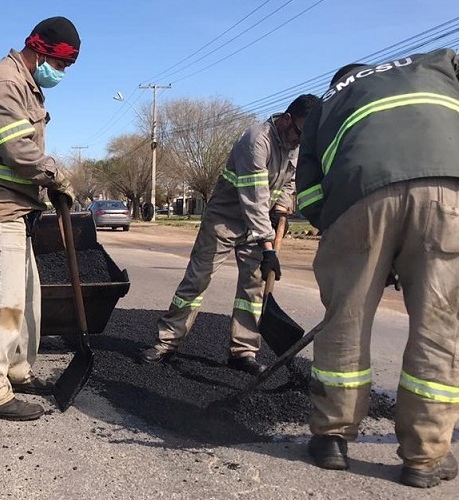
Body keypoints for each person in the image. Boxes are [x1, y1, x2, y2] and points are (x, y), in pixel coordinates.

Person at [296, 49, 459, 488]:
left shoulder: (325, 103)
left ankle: (331, 438)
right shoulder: (436, 63)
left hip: (357, 197)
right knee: (439, 328)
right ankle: (424, 458)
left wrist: (344, 235)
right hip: (448, 188)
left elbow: (308, 193)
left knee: (345, 321)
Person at [0, 17, 79, 421]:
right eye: (60, 65)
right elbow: (19, 153)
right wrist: (57, 175)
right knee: (2, 303)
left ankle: (16, 370)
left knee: (26, 301)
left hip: (13, 209)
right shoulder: (3, 84)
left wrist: (49, 184)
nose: (60, 74)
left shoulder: (25, 84)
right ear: (41, 51)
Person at [140, 94, 321, 375]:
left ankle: (242, 352)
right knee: (197, 280)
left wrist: (284, 207)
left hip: (258, 225)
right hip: (224, 220)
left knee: (254, 288)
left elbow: (288, 182)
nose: (300, 141)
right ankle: (166, 343)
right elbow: (255, 198)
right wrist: (270, 247)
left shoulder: (294, 143)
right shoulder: (256, 140)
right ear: (287, 120)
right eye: (299, 132)